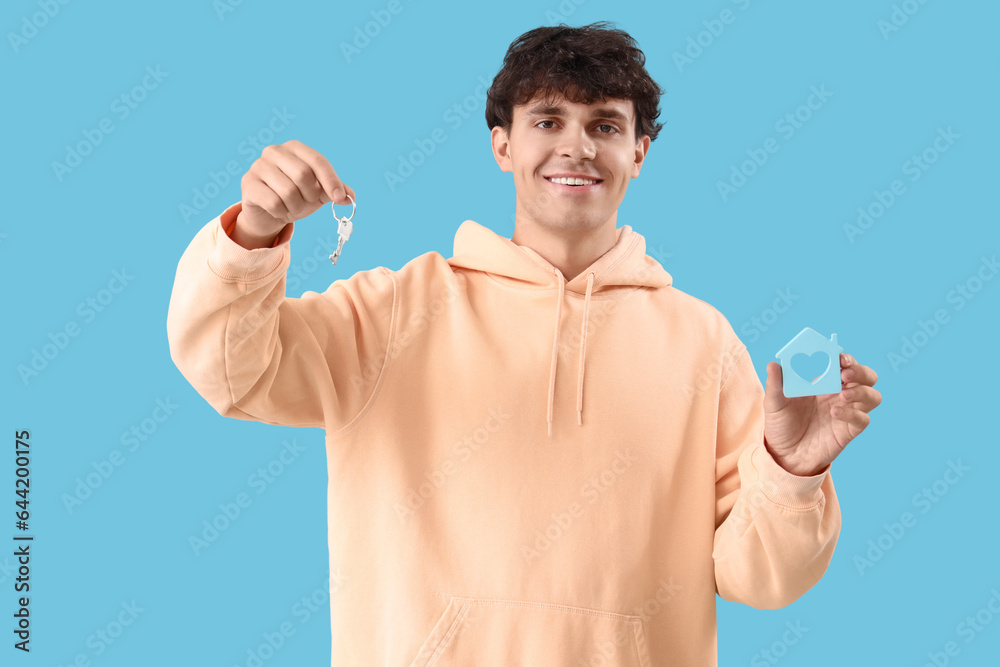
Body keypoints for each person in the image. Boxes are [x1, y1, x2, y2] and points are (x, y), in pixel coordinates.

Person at [167, 20, 881, 666]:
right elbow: (233, 370)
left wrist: (792, 468)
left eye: (605, 125)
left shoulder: (703, 342)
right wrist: (254, 230)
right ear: (502, 144)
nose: (577, 145)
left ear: (640, 150)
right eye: (548, 119)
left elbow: (760, 576)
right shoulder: (393, 311)